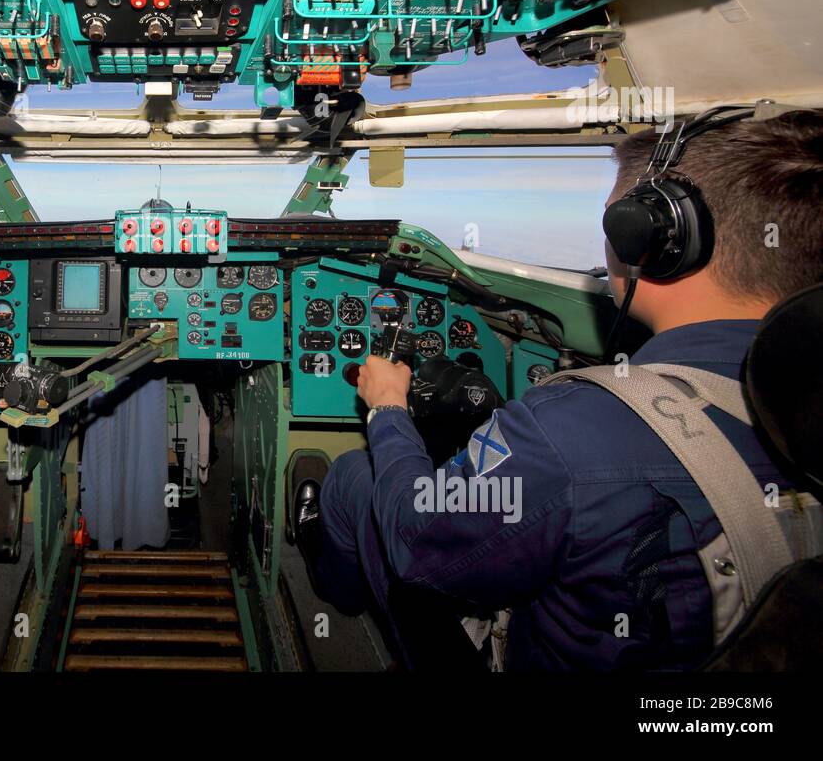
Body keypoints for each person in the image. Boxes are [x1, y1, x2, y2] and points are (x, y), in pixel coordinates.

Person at [296, 108, 823, 670]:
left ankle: (330, 587)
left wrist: (387, 408)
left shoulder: (570, 428)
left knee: (359, 475)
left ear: (651, 239)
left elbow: (415, 536)